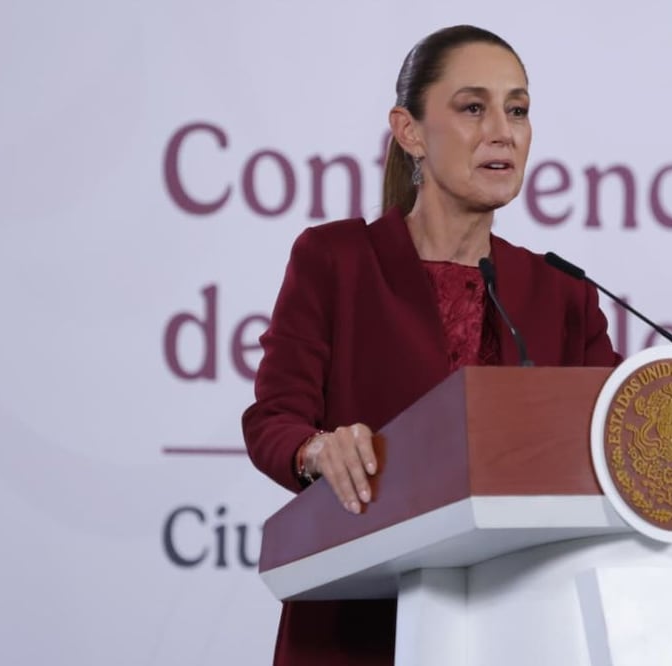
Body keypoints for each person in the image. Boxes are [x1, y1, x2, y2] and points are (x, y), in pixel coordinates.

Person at [242, 24, 622, 666]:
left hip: (521, 631)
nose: (502, 131)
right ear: (410, 131)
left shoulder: (562, 294)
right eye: (473, 108)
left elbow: (617, 437)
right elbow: (274, 420)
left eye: (518, 110)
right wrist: (318, 449)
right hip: (359, 625)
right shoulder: (336, 260)